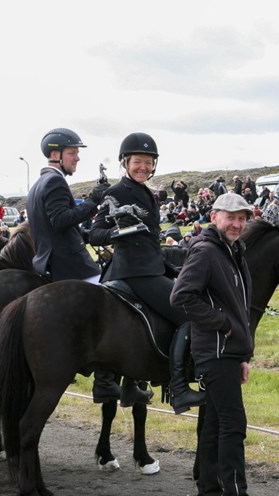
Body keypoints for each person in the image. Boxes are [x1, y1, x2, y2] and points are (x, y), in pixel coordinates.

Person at [170, 192, 279, 496]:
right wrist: (223, 325)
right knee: (232, 427)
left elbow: (240, 306)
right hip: (215, 352)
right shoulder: (206, 251)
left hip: (227, 353)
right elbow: (181, 297)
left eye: (242, 218)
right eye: (230, 217)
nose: (236, 224)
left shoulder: (233, 251)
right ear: (215, 217)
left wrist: (243, 354)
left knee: (215, 427)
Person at [89, 132, 197, 413]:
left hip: (151, 266)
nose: (144, 167)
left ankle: (131, 383)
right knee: (189, 313)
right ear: (125, 162)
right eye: (138, 161)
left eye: (148, 162)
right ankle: (180, 388)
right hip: (135, 272)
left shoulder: (148, 192)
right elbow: (95, 234)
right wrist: (118, 232)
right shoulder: (116, 192)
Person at [27, 128, 105, 283]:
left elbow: (55, 228)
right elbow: (60, 220)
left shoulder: (38, 184)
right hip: (70, 266)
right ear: (55, 155)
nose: (77, 158)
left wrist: (88, 234)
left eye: (77, 153)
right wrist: (93, 200)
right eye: (72, 153)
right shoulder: (54, 180)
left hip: (49, 263)